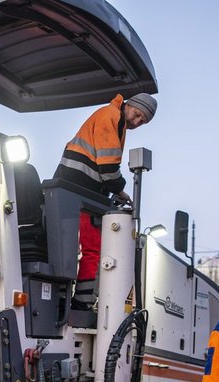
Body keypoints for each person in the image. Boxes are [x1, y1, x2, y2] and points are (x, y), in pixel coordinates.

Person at [53, 92, 157, 306]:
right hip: (82, 193)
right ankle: (81, 303)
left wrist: (117, 191)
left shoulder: (115, 118)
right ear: (130, 105)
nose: (137, 122)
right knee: (91, 249)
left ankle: (64, 299)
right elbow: (108, 167)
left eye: (142, 121)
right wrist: (119, 189)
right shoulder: (111, 117)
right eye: (137, 114)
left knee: (67, 246)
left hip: (73, 190)